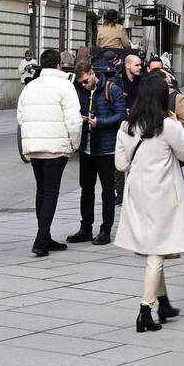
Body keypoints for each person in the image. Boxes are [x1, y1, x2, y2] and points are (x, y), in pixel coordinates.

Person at [114, 77, 184, 332]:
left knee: (152, 250)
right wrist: (175, 124)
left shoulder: (126, 126)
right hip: (162, 196)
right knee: (157, 252)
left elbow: (120, 164)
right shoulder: (167, 126)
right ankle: (145, 311)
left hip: (137, 194)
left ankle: (164, 302)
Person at [18, 49, 83, 257]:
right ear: (58, 65)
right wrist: (74, 144)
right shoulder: (65, 86)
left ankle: (44, 237)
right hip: (56, 148)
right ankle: (41, 238)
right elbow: (74, 121)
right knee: (51, 192)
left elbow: (20, 117)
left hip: (35, 148)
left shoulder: (30, 86)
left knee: (42, 190)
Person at [66, 58, 125, 246]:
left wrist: (99, 122)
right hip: (87, 148)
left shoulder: (111, 89)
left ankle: (105, 230)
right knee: (86, 189)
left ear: (92, 74)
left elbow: (121, 116)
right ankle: (86, 228)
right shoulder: (82, 92)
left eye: (86, 81)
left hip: (106, 149)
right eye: (81, 82)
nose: (83, 85)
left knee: (107, 191)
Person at [114, 51, 147, 207]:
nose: (140, 67)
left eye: (140, 64)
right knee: (121, 159)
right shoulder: (117, 81)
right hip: (122, 123)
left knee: (137, 158)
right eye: (137, 65)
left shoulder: (143, 81)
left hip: (139, 123)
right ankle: (120, 193)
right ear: (127, 65)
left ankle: (135, 190)